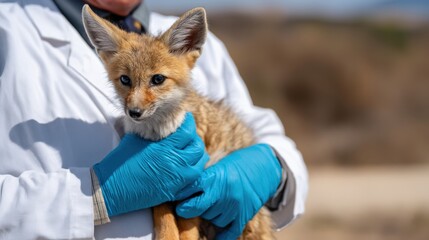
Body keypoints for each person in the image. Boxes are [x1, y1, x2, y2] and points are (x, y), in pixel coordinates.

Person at [0, 0, 308, 239]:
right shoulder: (8, 31)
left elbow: (267, 134)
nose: (135, 102)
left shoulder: (194, 43)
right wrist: (92, 196)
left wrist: (273, 168)